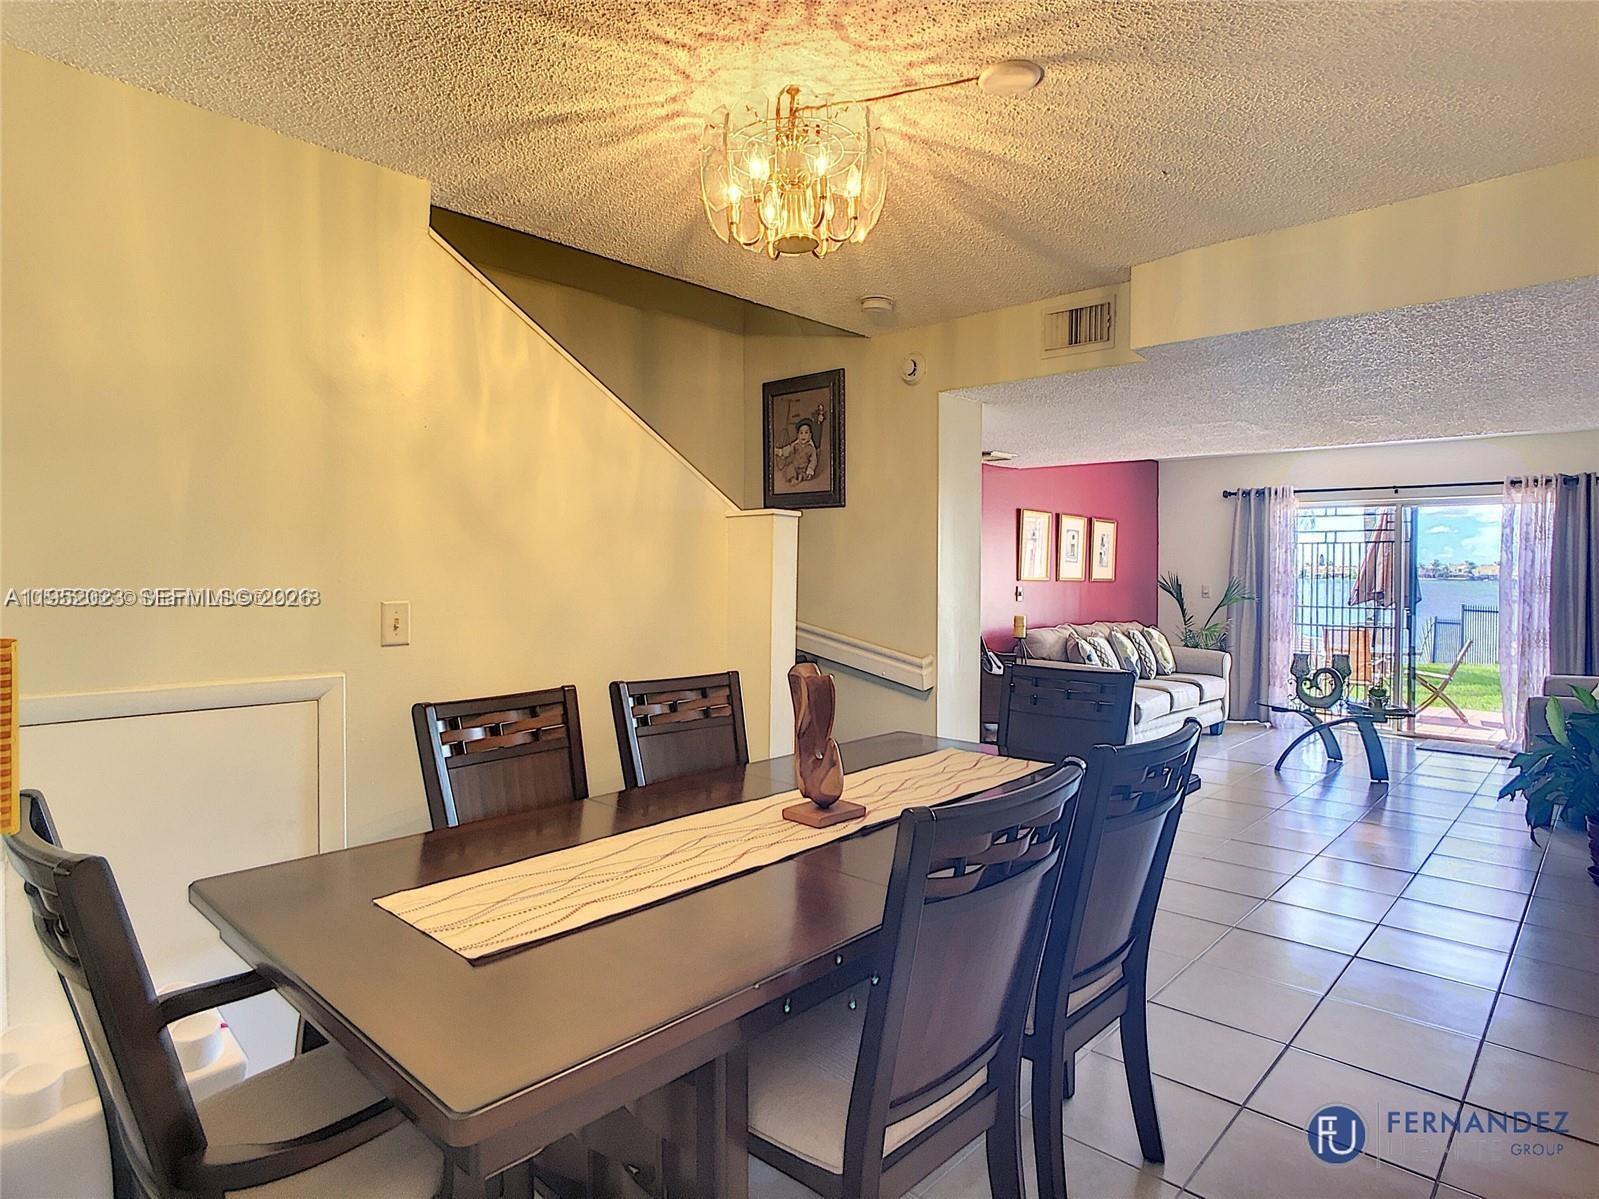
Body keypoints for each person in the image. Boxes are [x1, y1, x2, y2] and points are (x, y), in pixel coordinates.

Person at [775, 418, 818, 485]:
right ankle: (793, 479)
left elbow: (813, 460)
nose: (803, 435)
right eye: (801, 433)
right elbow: (789, 449)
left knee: (806, 474)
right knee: (790, 468)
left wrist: (810, 469)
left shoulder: (811, 448)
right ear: (798, 435)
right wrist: (781, 452)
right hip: (795, 465)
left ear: (810, 436)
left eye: (806, 433)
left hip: (804, 467)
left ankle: (801, 476)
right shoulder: (796, 444)